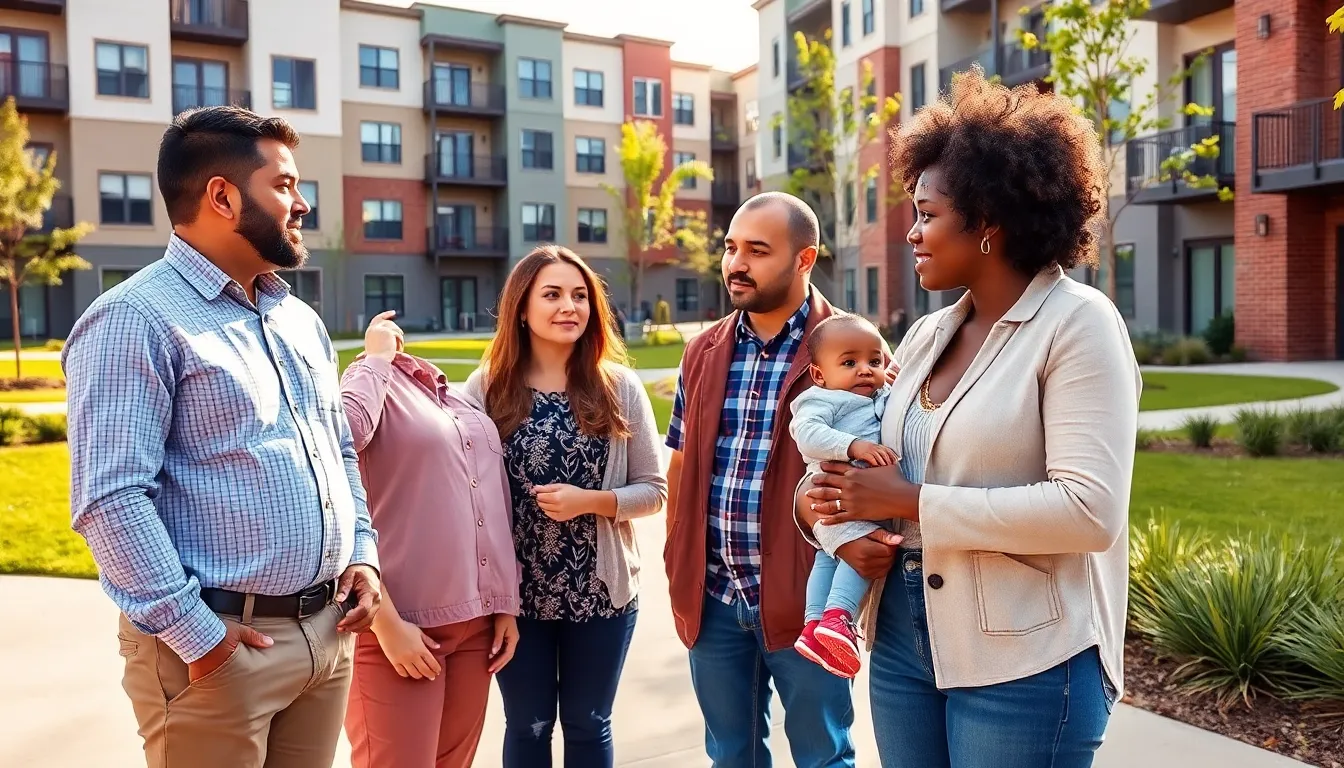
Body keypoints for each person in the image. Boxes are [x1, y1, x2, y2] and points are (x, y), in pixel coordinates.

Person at [797, 66, 1140, 767]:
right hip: (900, 642)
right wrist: (821, 509)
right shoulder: (924, 337)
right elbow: (867, 464)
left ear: (988, 223)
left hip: (1027, 656)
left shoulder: (1078, 324)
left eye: (929, 214)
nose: (913, 234)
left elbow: (1089, 511)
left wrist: (912, 501)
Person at [63, 106, 382, 768]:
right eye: (286, 186)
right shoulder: (134, 319)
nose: (301, 204)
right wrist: (198, 637)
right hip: (217, 651)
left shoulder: (296, 319)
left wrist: (362, 551)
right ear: (221, 196)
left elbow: (338, 448)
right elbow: (111, 498)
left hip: (324, 638)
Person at [665, 191, 883, 768]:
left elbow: (889, 461)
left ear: (805, 259)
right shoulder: (703, 350)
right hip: (713, 597)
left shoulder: (852, 349)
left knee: (823, 758)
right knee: (731, 756)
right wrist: (676, 560)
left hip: (804, 601)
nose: (736, 263)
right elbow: (683, 463)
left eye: (757, 251)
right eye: (731, 248)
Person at [463, 245, 667, 768]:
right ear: (522, 309)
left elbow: (653, 490)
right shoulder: (486, 390)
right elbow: (457, 490)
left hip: (601, 593)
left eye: (579, 296)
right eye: (551, 295)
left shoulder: (618, 386)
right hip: (515, 599)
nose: (568, 307)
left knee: (588, 724)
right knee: (527, 726)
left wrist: (589, 502)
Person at [339, 309, 520, 768]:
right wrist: (374, 357)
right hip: (394, 629)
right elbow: (344, 439)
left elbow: (493, 503)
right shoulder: (370, 386)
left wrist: (503, 604)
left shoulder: (459, 401)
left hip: (476, 626)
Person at [789, 313, 898, 680]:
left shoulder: (878, 394)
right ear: (820, 375)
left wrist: (893, 383)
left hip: (846, 499)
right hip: (837, 494)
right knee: (857, 553)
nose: (865, 370)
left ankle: (814, 623)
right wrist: (853, 446)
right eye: (850, 363)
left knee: (828, 556)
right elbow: (806, 434)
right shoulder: (820, 399)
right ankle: (840, 616)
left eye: (874, 361)